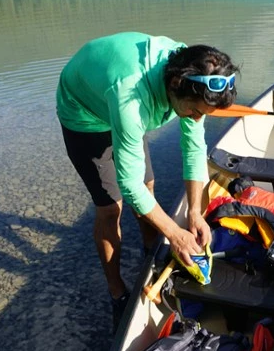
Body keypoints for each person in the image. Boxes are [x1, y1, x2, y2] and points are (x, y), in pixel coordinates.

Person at [56, 32, 239, 329]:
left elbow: (193, 148)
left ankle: (149, 250)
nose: (195, 118)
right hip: (85, 114)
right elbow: (129, 184)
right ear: (176, 86)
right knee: (110, 207)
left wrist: (194, 211)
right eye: (193, 111)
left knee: (148, 187)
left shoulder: (196, 75)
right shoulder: (131, 98)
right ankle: (116, 292)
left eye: (202, 114)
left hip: (123, 102)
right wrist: (176, 234)